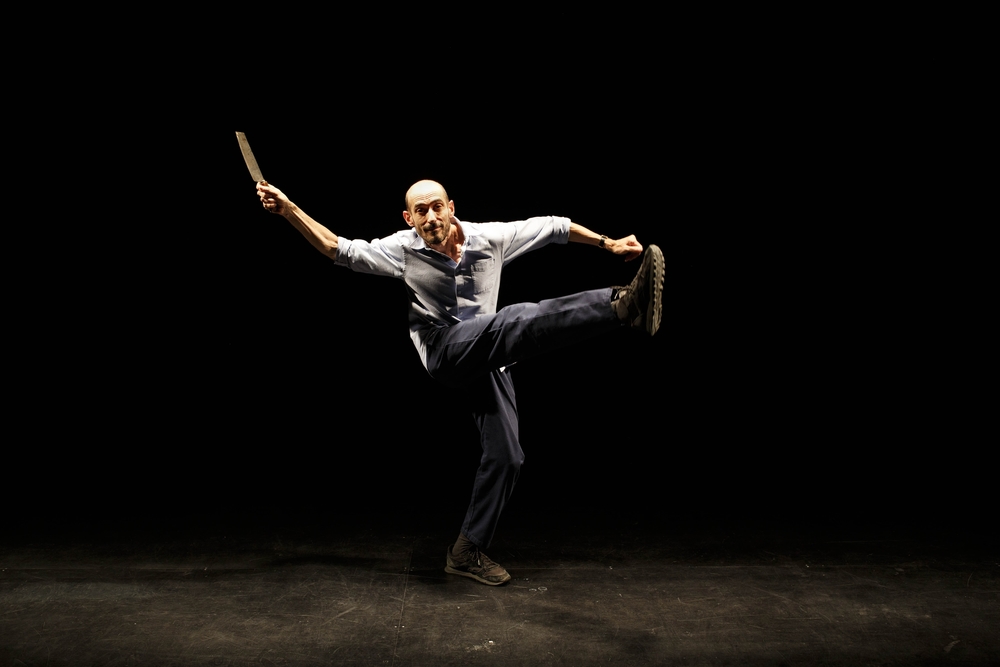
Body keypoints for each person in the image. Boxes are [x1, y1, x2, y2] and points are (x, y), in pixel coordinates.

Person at [255, 179, 663, 585]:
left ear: (451, 207)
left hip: (489, 355)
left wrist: (608, 243)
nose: (430, 218)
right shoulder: (400, 249)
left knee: (508, 455)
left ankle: (466, 551)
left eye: (436, 207)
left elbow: (556, 226)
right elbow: (335, 247)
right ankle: (620, 305)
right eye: (420, 212)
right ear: (408, 218)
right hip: (445, 351)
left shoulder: (491, 238)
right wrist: (289, 209)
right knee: (509, 321)